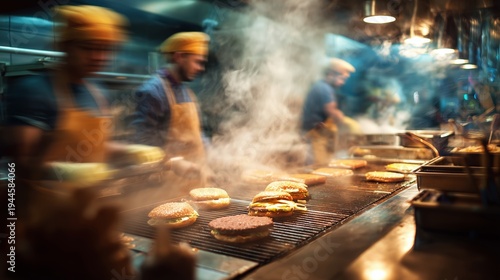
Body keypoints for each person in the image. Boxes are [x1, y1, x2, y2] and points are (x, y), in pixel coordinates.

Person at [129, 32, 213, 187]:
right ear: (179, 57)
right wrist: (173, 162)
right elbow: (143, 142)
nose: (200, 68)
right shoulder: (153, 91)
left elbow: (197, 135)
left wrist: (216, 155)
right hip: (165, 183)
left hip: (192, 179)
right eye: (197, 62)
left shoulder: (186, 91)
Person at [301, 58, 362, 165]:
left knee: (320, 165)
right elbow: (332, 111)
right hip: (314, 134)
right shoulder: (324, 89)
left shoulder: (322, 86)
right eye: (341, 78)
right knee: (317, 166)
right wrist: (349, 123)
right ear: (330, 74)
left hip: (316, 134)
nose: (342, 83)